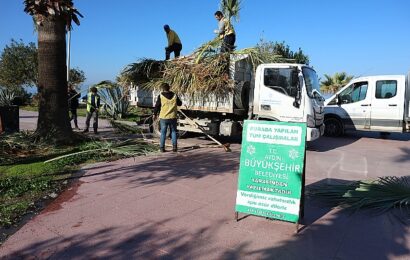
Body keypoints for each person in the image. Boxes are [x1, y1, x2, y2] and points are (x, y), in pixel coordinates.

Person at [153, 83, 182, 152]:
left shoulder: (160, 96)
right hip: (173, 117)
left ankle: (162, 148)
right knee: (173, 131)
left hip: (164, 117)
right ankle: (174, 148)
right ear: (169, 88)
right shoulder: (174, 95)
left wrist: (154, 114)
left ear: (162, 89)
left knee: (163, 132)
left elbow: (157, 106)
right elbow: (180, 103)